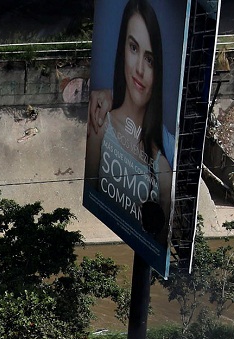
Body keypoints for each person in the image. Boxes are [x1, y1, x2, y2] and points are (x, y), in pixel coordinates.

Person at [84, 0, 175, 238]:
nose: (139, 70)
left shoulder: (163, 168)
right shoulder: (100, 122)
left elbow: (159, 241)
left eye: (150, 59)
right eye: (133, 48)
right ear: (122, 49)